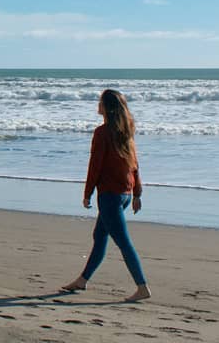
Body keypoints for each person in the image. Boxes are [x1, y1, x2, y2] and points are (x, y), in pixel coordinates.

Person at [61, 88, 151, 302]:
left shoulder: (102, 133)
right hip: (125, 195)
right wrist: (137, 193)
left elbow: (95, 166)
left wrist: (87, 193)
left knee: (123, 242)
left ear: (107, 108)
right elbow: (135, 165)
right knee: (100, 236)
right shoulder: (125, 131)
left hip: (110, 195)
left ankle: (142, 287)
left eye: (100, 101)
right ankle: (82, 280)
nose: (97, 104)